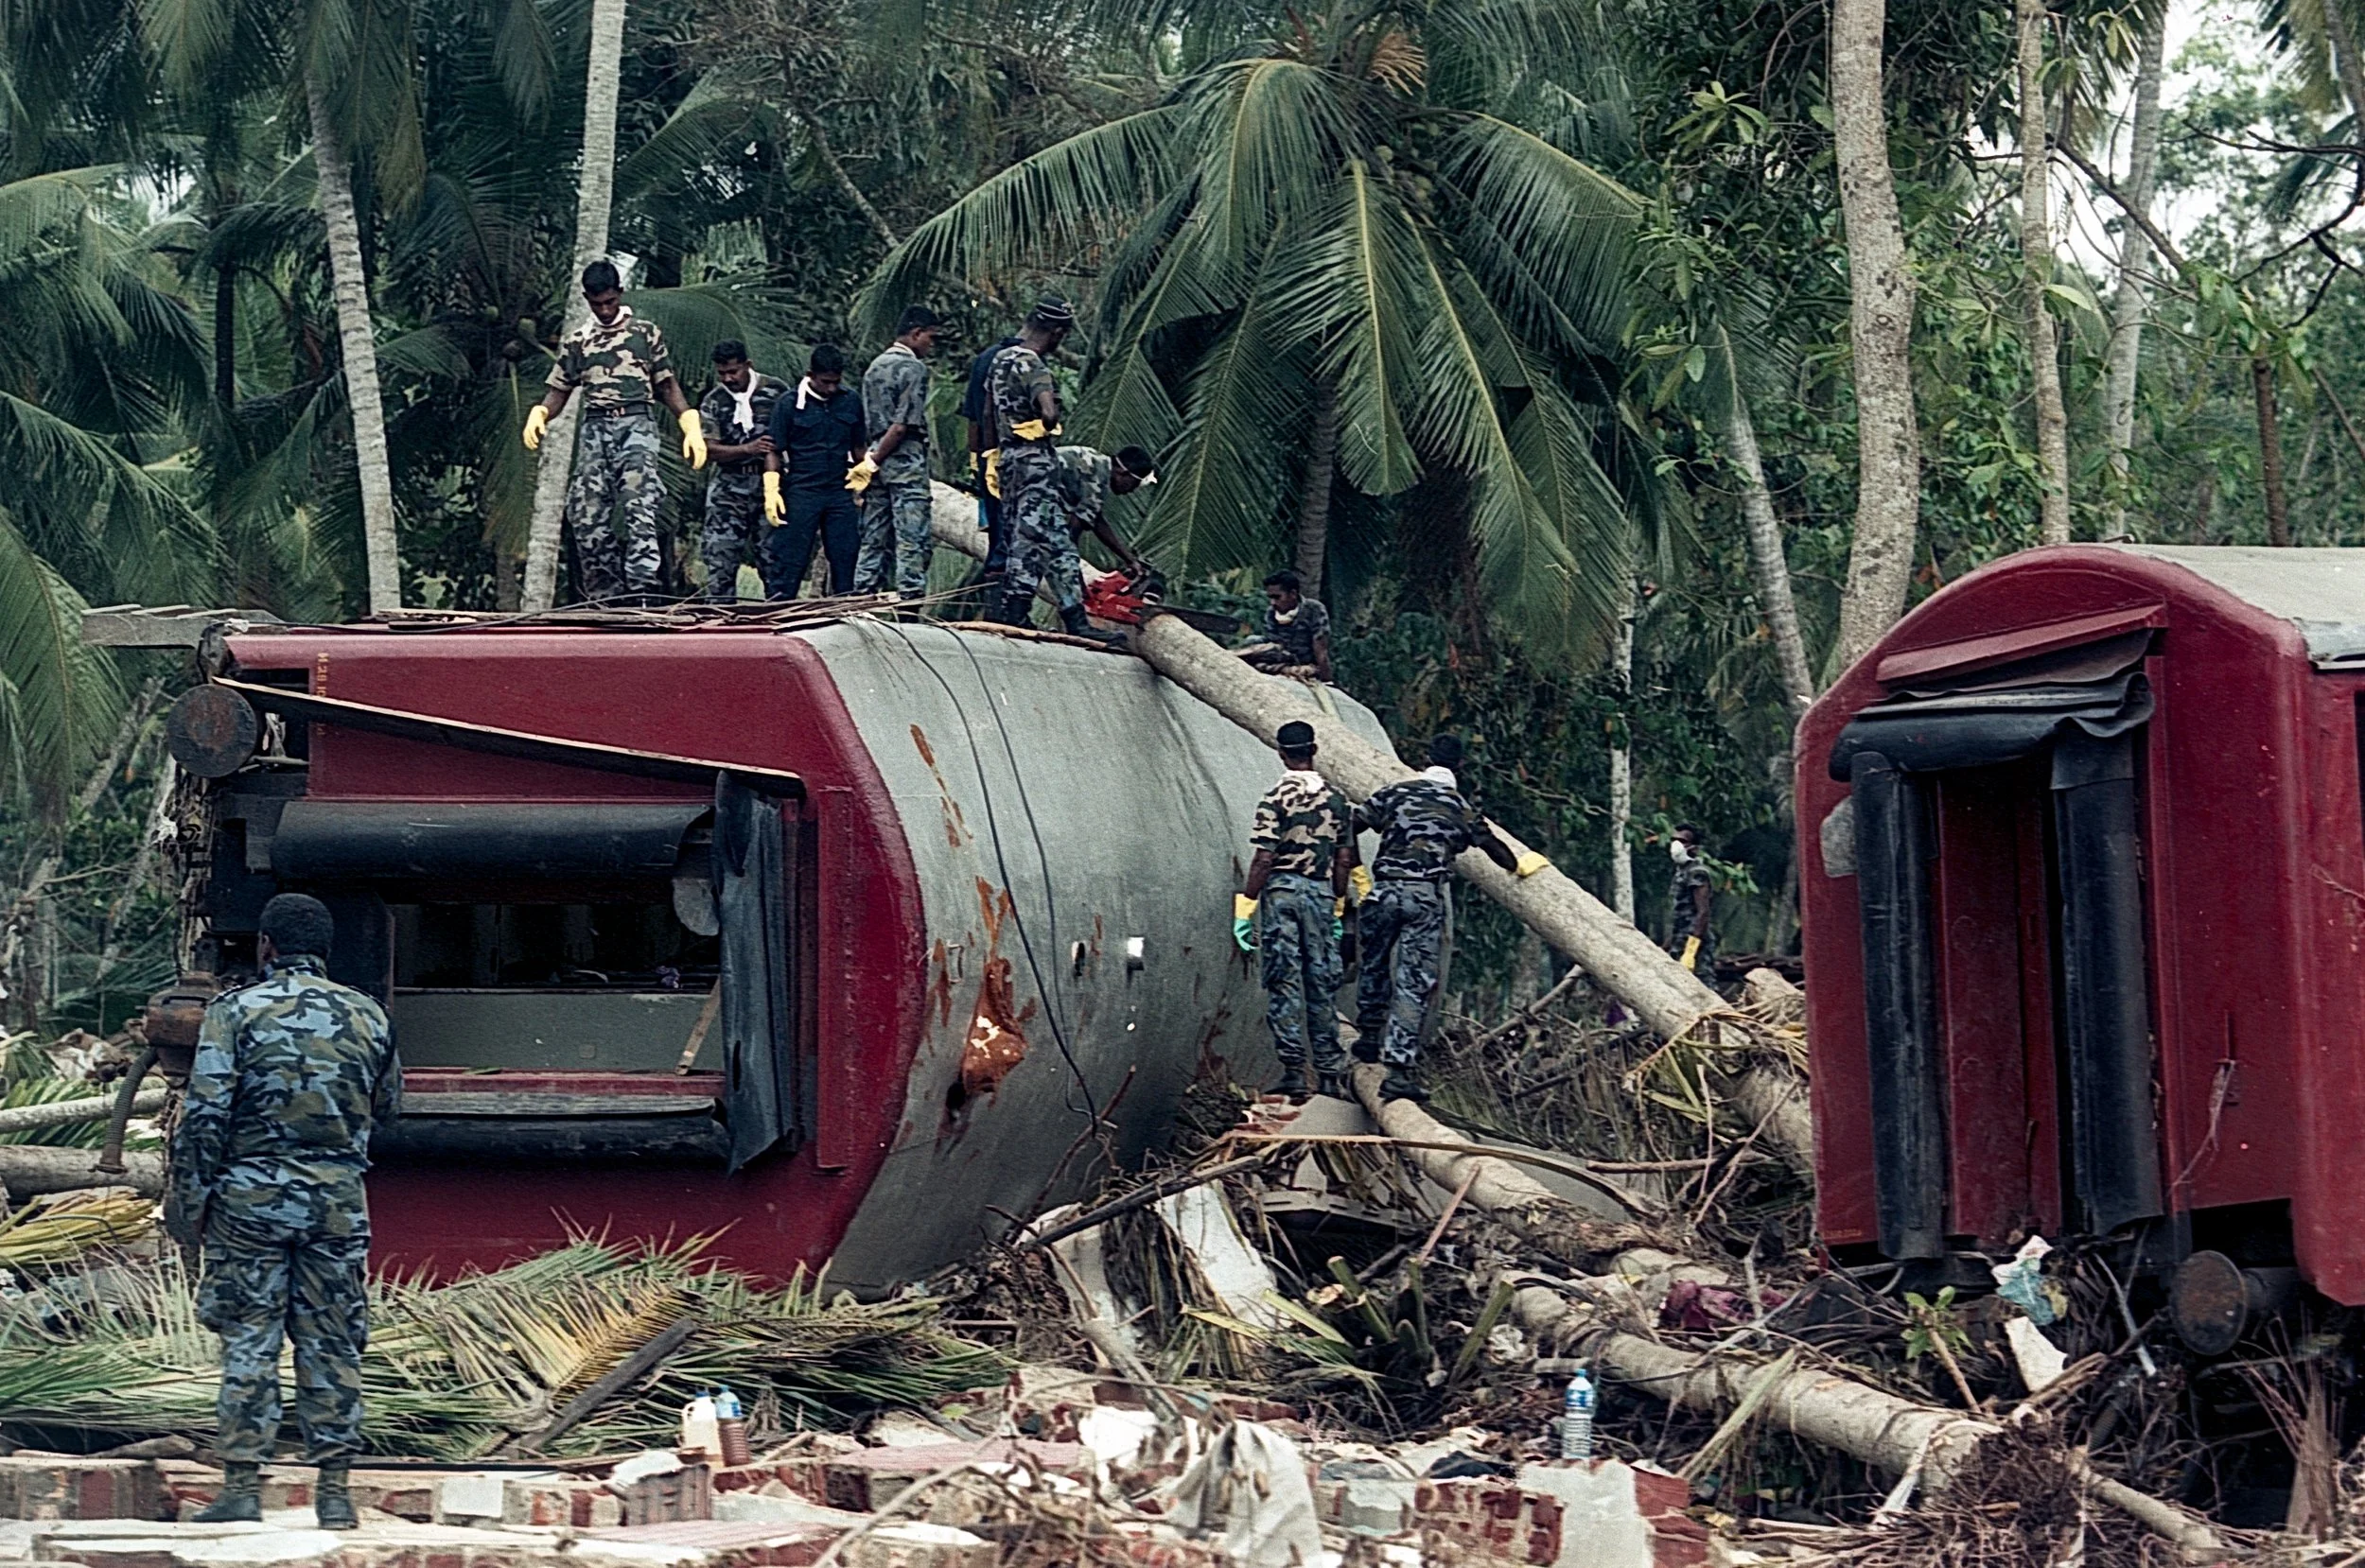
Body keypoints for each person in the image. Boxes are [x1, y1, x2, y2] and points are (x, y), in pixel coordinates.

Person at [170, 894, 401, 1530]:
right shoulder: (370, 1016)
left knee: (251, 1337)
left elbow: (206, 1116)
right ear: (325, 950)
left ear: (266, 947)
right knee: (334, 1340)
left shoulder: (235, 1012)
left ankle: (243, 1487)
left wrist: (186, 1203)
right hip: (336, 1204)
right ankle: (333, 1494)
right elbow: (388, 1109)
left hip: (251, 1203)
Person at [1352, 736, 1548, 1101]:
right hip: (1424, 898)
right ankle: (1397, 1070)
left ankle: (1367, 1038)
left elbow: (1354, 823)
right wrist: (1519, 866)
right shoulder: (1461, 808)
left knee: (1374, 963)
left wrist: (1352, 867)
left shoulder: (1396, 792)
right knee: (1413, 980)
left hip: (1384, 891)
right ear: (1458, 767)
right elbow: (1495, 850)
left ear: (1425, 760)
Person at [524, 260, 709, 601]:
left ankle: (643, 589)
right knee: (586, 511)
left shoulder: (643, 333)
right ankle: (605, 596)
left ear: (619, 294)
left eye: (610, 301)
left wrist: (689, 422)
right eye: (598, 304)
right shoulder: (579, 341)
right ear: (587, 299)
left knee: (640, 503)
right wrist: (540, 413)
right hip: (596, 427)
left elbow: (666, 384)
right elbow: (559, 390)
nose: (605, 309)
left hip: (636, 424)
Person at [1235, 721, 1355, 1103]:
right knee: (1321, 983)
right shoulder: (1337, 800)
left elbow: (1264, 857)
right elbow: (1345, 858)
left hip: (1283, 894)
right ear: (1314, 750)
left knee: (1284, 980)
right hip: (1320, 894)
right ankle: (1330, 1075)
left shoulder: (1274, 797)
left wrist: (1245, 906)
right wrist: (1337, 903)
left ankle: (1293, 1072)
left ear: (1281, 753)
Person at [984, 296, 1076, 625]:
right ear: (1055, 331)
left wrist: (992, 455)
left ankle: (1075, 614)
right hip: (1035, 461)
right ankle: (1016, 611)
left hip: (1008, 459)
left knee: (1057, 541)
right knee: (1031, 537)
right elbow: (1048, 412)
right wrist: (1047, 423)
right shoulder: (1033, 364)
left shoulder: (999, 361)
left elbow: (987, 413)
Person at [762, 344, 867, 597]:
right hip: (801, 490)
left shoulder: (850, 401)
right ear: (810, 375)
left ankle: (845, 615)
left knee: (846, 557)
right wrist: (772, 487)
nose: (831, 388)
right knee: (790, 560)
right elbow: (773, 449)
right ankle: (780, 613)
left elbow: (859, 446)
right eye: (825, 382)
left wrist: (866, 472)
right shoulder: (788, 404)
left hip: (839, 491)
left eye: (836, 382)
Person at [854, 306, 943, 598]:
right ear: (916, 333)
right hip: (904, 462)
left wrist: (870, 461)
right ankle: (910, 601)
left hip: (876, 463)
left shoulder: (875, 366)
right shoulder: (914, 369)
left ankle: (862, 594)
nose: (932, 344)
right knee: (912, 538)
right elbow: (903, 424)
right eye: (930, 337)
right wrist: (876, 458)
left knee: (874, 535)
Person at [693, 340, 787, 601]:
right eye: (722, 373)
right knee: (720, 563)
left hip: (768, 485)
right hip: (728, 489)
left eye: (734, 371)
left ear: (748, 366)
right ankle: (719, 626)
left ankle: (778, 624)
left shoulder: (775, 391)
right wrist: (748, 449)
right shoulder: (714, 400)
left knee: (774, 562)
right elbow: (709, 450)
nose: (729, 378)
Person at [1044, 444, 1157, 642]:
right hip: (1026, 495)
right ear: (1123, 472)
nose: (1131, 492)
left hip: (1021, 491)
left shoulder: (1096, 464)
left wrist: (1130, 560)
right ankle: (1077, 625)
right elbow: (1073, 532)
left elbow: (1096, 520)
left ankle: (1013, 614)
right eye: (1133, 484)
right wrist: (1078, 584)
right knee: (1062, 555)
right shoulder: (1096, 476)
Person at [963, 326, 1023, 589]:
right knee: (1011, 533)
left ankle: (996, 582)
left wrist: (977, 457)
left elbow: (973, 416)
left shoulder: (985, 358)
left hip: (990, 453)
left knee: (997, 531)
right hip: (1012, 455)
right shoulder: (1024, 361)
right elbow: (984, 414)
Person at [1238, 570, 1332, 681]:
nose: (1273, 602)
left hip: (1305, 663)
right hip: (1280, 660)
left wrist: (1326, 679)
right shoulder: (1271, 613)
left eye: (1277, 597)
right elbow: (1273, 642)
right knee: (1252, 640)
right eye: (1270, 598)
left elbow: (1320, 648)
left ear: (1293, 594)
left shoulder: (1314, 609)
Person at [1668, 824, 1715, 978]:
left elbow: (1703, 912)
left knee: (1702, 983)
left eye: (1682, 841)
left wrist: (1691, 950)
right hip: (1679, 940)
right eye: (1673, 840)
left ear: (1693, 847)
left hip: (1695, 941)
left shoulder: (1697, 872)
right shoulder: (1681, 872)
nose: (1676, 845)